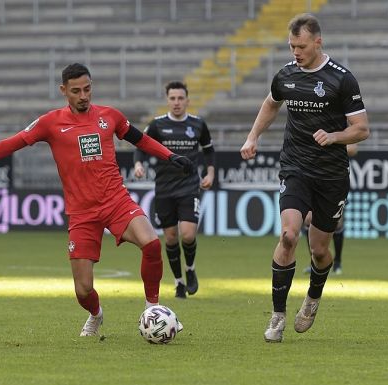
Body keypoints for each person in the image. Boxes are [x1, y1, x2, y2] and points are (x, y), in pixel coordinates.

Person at [0, 63, 193, 337]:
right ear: (64, 91)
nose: (83, 95)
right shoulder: (50, 123)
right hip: (82, 213)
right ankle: (96, 315)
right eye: (76, 91)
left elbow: (141, 140)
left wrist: (171, 156)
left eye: (87, 89)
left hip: (116, 201)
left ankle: (152, 310)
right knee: (83, 290)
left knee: (151, 244)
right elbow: (13, 142)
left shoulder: (109, 116)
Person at [239, 14, 369, 343]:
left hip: (331, 175)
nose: (295, 51)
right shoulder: (286, 75)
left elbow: (362, 129)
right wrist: (253, 136)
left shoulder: (342, 79)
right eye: (291, 45)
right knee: (287, 235)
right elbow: (271, 104)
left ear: (317, 42)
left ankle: (312, 299)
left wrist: (336, 136)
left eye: (301, 46)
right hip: (295, 167)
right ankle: (278, 315)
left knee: (321, 251)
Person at [133, 81, 214, 299]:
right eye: (172, 98)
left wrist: (211, 173)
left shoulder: (198, 124)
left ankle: (190, 269)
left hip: (189, 188)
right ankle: (179, 282)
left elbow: (208, 150)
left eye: (180, 98)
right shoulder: (158, 125)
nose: (176, 102)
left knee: (187, 235)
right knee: (170, 238)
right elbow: (141, 145)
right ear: (167, 100)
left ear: (187, 100)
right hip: (165, 189)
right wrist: (138, 164)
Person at [303, 143, 358, 275]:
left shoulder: (338, 125)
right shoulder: (310, 126)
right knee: (308, 219)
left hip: (334, 178)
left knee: (337, 223)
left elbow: (353, 149)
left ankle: (337, 262)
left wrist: (330, 145)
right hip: (312, 178)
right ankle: (314, 261)